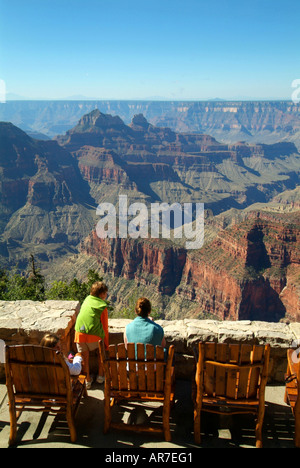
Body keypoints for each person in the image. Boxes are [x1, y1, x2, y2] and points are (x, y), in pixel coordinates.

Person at [74, 281, 109, 389]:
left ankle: (87, 380)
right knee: (100, 352)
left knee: (84, 357)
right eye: (105, 293)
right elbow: (105, 327)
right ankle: (100, 376)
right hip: (94, 337)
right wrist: (106, 344)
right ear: (102, 294)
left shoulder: (87, 299)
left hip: (79, 334)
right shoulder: (102, 306)